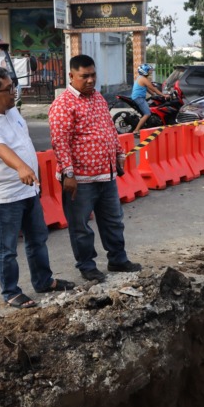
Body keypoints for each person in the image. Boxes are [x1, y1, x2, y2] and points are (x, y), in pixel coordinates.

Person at [0, 66, 74, 309]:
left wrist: (30, 172)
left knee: (37, 238)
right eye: (7, 89)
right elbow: (0, 149)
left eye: (13, 86)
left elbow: (21, 143)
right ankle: (11, 292)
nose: (13, 92)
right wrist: (21, 167)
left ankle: (43, 280)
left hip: (29, 190)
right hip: (6, 196)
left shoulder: (12, 111)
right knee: (7, 249)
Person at [49, 54, 141, 283]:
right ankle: (87, 266)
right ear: (71, 76)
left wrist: (119, 156)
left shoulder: (98, 98)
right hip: (80, 180)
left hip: (106, 175)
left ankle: (118, 259)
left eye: (93, 75)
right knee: (81, 227)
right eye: (84, 76)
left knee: (113, 221)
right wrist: (68, 174)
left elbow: (109, 129)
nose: (90, 80)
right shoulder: (63, 104)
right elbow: (60, 142)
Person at [130, 63, 162, 134]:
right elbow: (153, 88)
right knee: (147, 113)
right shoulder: (144, 79)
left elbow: (147, 88)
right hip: (139, 98)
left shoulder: (141, 78)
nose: (150, 72)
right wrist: (163, 95)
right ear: (145, 71)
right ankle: (136, 130)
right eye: (149, 70)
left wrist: (153, 94)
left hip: (138, 97)